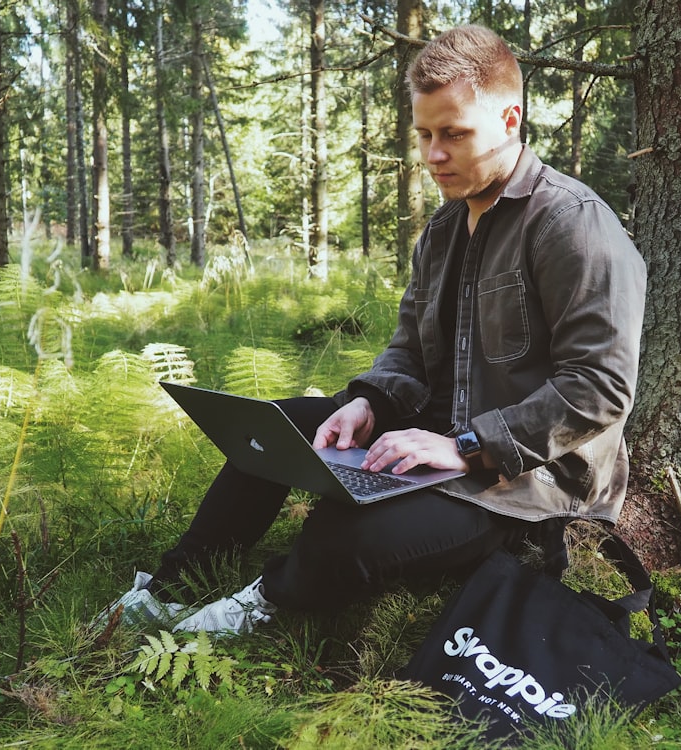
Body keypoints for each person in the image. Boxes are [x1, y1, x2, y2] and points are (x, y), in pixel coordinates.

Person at [96, 24, 647, 636]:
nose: (433, 155)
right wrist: (370, 401)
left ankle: (265, 602)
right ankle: (173, 587)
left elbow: (599, 387)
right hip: (436, 443)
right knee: (279, 431)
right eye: (425, 135)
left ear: (511, 118)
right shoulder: (442, 231)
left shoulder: (573, 224)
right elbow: (410, 348)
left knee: (344, 537)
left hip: (525, 483)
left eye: (454, 135)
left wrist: (465, 447)